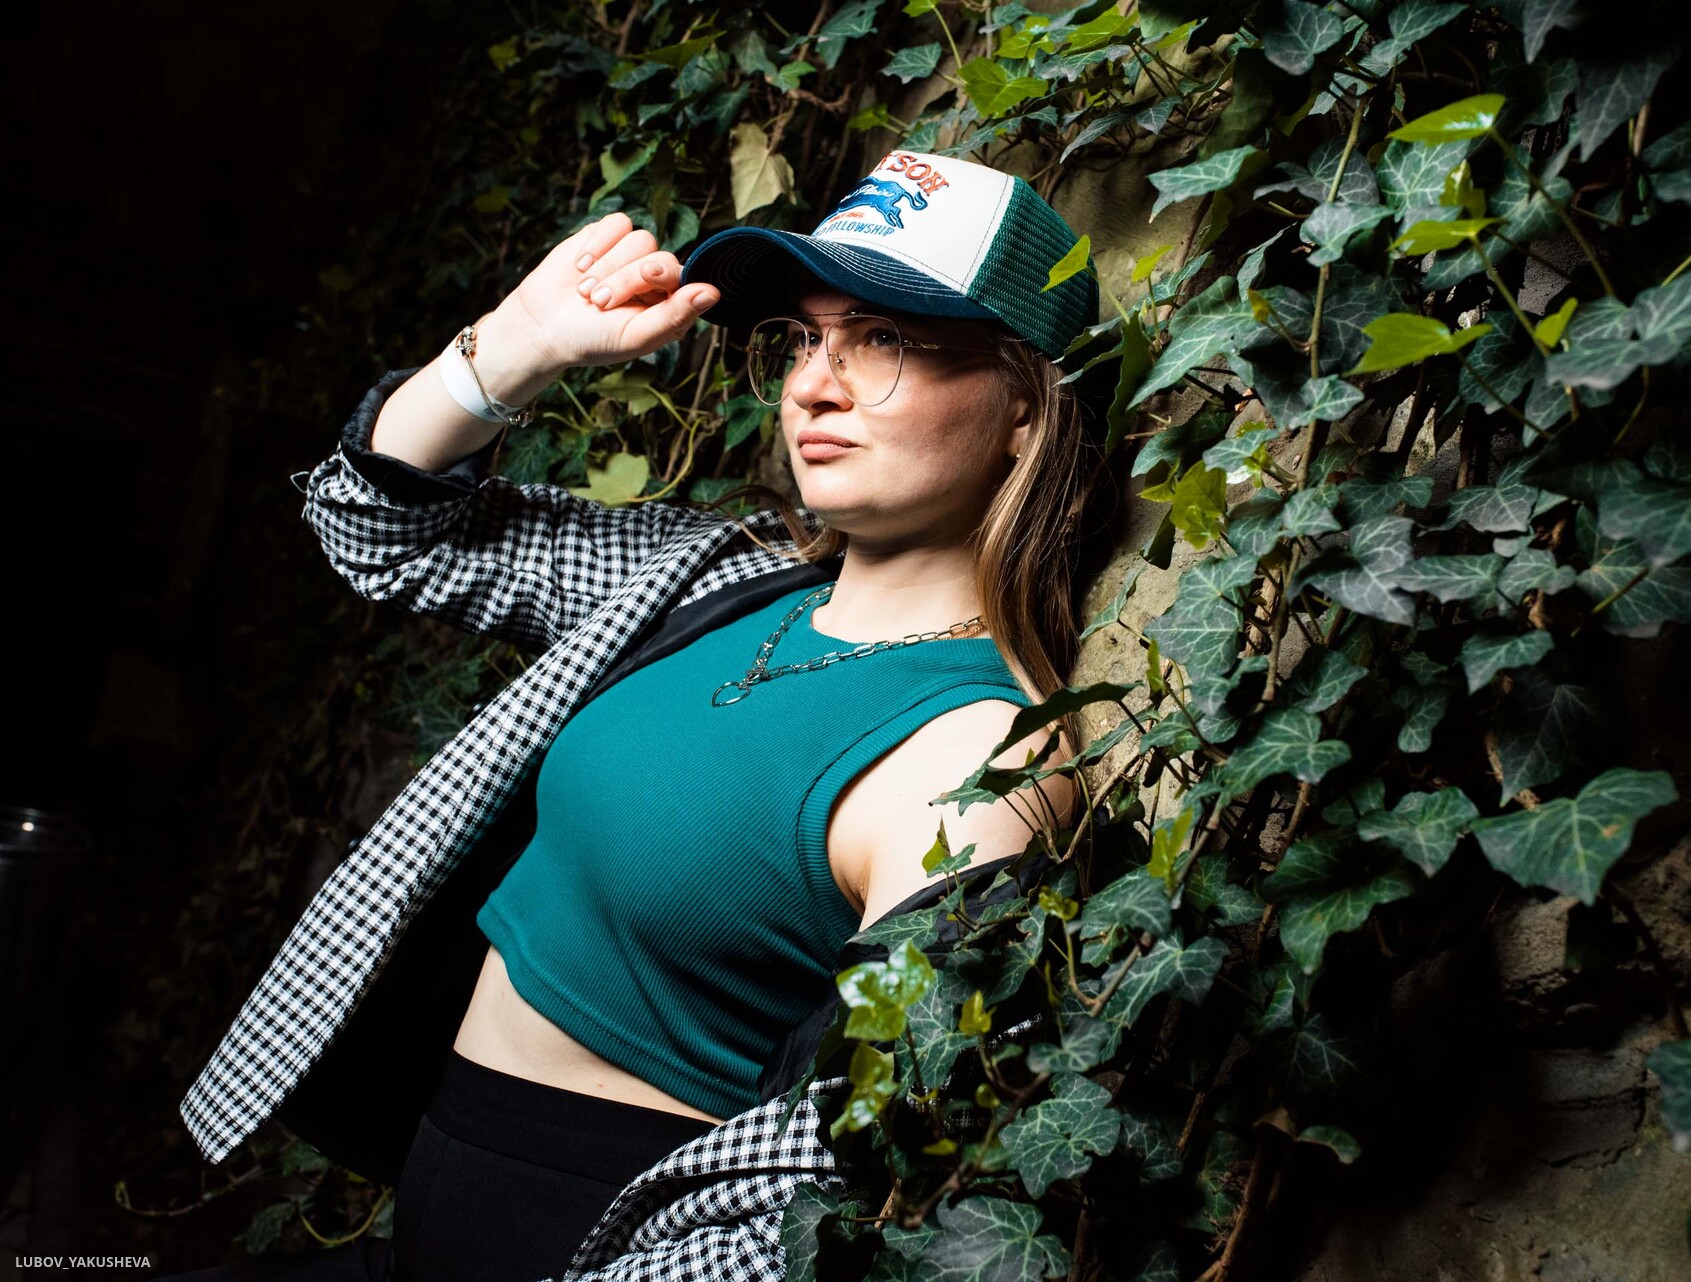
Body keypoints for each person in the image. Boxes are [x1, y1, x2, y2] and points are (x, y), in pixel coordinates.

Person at [164, 151, 1113, 1281]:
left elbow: (851, 1181)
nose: (814, 386)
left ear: (1024, 408)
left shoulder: (980, 753)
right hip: (414, 1205)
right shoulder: (717, 576)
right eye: (805, 340)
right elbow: (382, 530)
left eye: (883, 339)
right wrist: (512, 350)